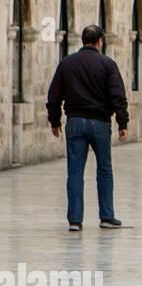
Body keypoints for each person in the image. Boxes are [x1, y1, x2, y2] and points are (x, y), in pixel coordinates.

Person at [46, 24, 128, 231]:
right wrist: (122, 122)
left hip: (74, 122)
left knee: (74, 172)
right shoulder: (108, 64)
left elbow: (54, 95)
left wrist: (55, 121)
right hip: (100, 122)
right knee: (105, 170)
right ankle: (107, 216)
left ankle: (75, 220)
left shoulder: (66, 64)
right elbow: (117, 95)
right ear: (100, 41)